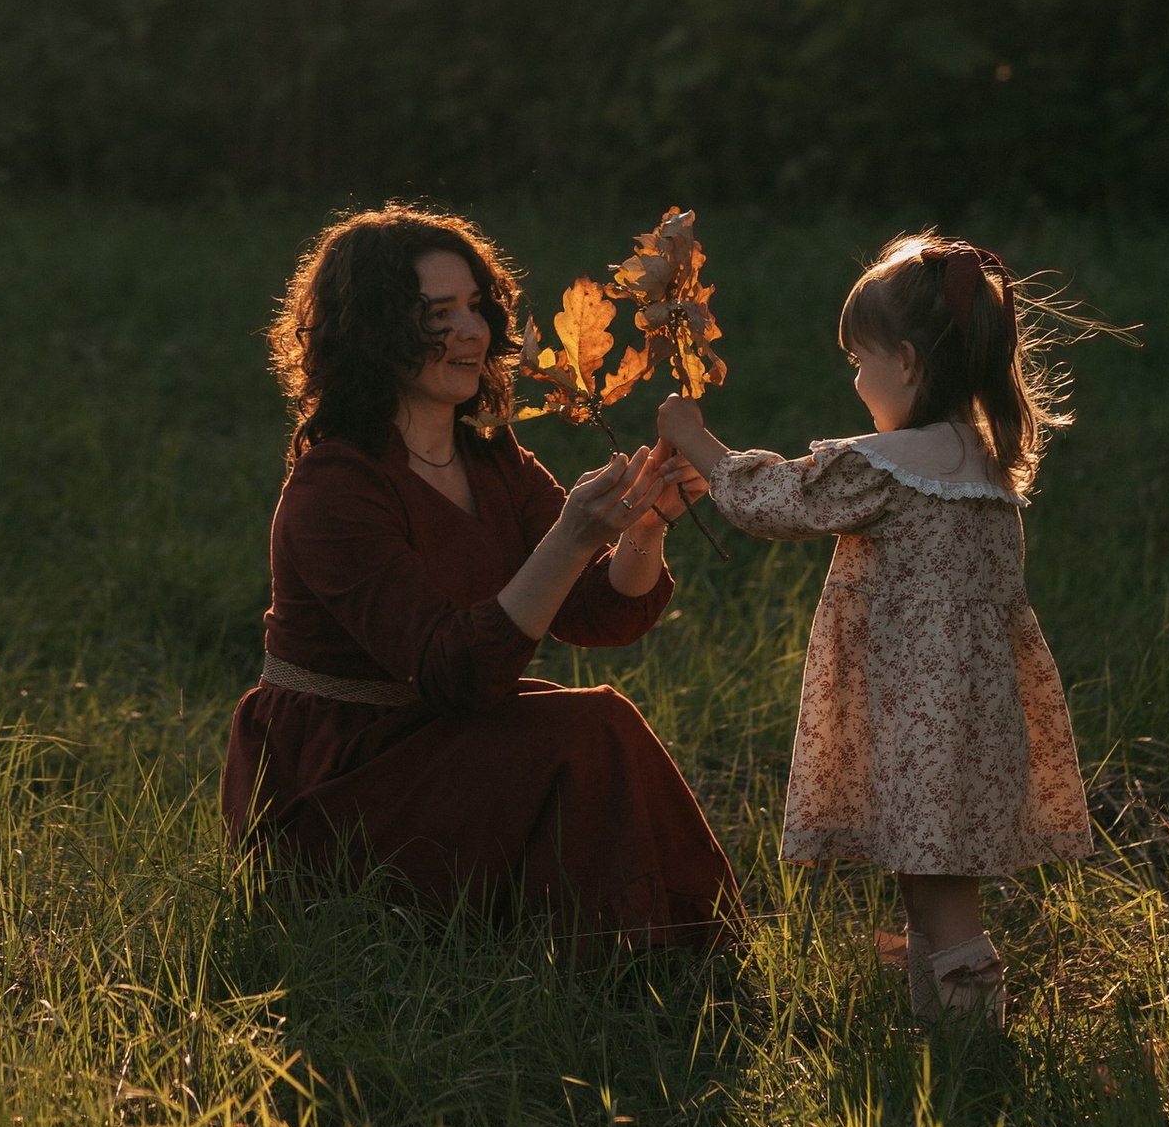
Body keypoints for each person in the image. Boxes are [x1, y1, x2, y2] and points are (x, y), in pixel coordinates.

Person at [222, 203, 740, 952]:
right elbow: (453, 671)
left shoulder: (493, 459)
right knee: (587, 729)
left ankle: (662, 949)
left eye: (475, 306)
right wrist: (569, 538)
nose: (474, 332)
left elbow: (599, 615)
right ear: (374, 332)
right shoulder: (334, 487)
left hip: (437, 734)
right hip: (339, 779)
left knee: (594, 721)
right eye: (439, 314)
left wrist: (647, 526)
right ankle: (643, 954)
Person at [651, 233, 1100, 1023]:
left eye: (860, 363)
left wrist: (697, 442)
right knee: (927, 883)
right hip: (968, 717)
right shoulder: (982, 459)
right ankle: (939, 1036)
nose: (857, 383)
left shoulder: (892, 464)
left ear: (908, 362)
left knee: (941, 895)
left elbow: (779, 504)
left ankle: (976, 1050)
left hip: (915, 718)